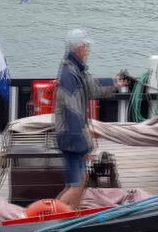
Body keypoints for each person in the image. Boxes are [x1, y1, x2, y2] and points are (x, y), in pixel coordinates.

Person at [54, 29, 118, 210]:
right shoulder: (69, 75)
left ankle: (71, 214)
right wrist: (84, 146)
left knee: (78, 182)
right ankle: (48, 217)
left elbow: (92, 87)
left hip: (72, 136)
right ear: (80, 48)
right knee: (75, 186)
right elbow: (73, 114)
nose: (88, 49)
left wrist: (114, 82)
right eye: (86, 45)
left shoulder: (76, 70)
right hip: (71, 138)